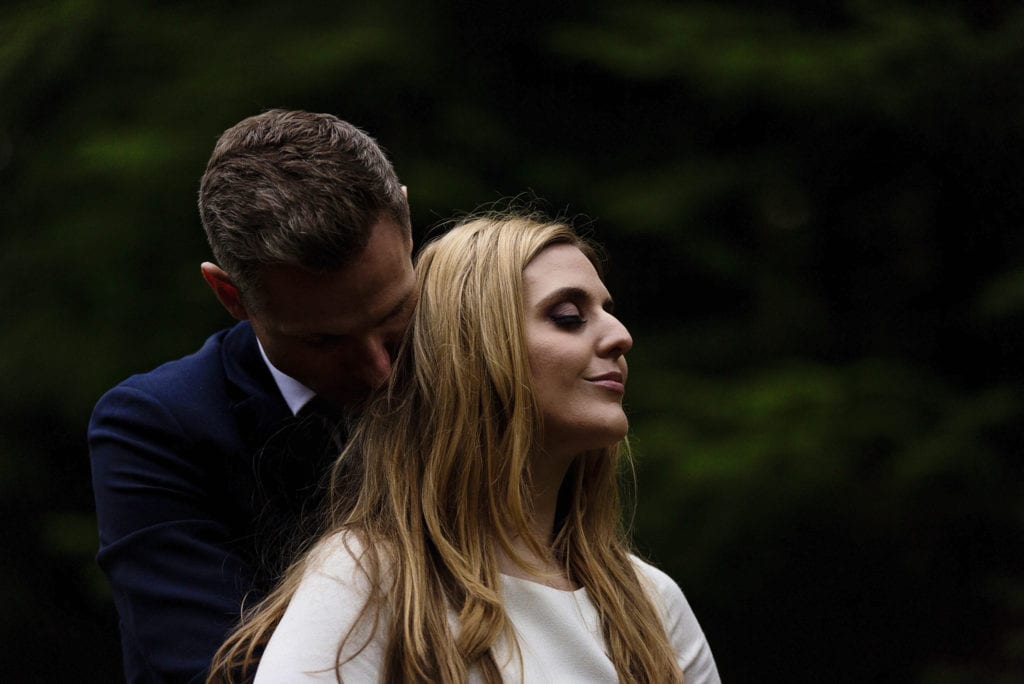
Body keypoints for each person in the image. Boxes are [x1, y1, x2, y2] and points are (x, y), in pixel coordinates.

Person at [207, 214, 720, 683]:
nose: (620, 336)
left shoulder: (652, 604)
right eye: (568, 316)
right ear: (472, 353)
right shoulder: (371, 579)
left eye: (608, 311)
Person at [88, 109, 415, 683]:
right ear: (230, 295)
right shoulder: (157, 428)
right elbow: (212, 670)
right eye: (323, 340)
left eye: (394, 316)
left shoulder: (483, 365)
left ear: (407, 224)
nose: (380, 370)